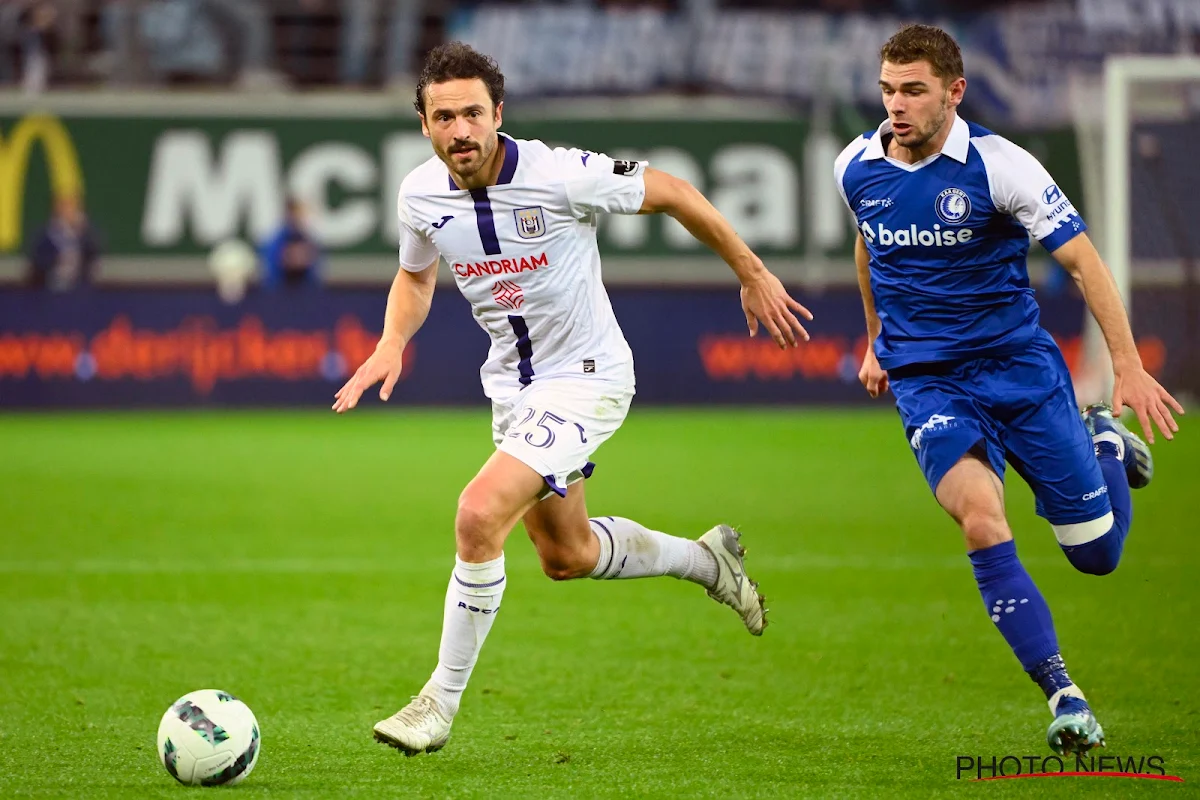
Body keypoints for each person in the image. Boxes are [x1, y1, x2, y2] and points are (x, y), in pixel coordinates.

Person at [333, 41, 812, 755]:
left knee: (477, 513)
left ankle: (438, 702)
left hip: (588, 377)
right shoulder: (419, 195)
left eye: (472, 113)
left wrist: (750, 272)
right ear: (425, 126)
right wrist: (392, 341)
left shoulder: (562, 174)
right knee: (567, 554)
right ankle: (706, 561)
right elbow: (417, 276)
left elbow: (674, 191)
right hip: (516, 390)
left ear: (498, 113)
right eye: (443, 117)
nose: (460, 130)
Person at [836, 24, 1185, 755]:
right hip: (930, 384)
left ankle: (1102, 444)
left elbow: (1086, 263)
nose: (895, 106)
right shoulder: (857, 167)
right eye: (887, 90)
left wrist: (1126, 366)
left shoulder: (1002, 167)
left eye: (913, 91)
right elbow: (870, 248)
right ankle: (1064, 694)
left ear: (954, 92)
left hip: (1020, 376)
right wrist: (876, 338)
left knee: (1097, 554)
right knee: (980, 521)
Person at [27, 194, 101, 291]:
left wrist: (83, 231)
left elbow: (94, 253)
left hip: (78, 289)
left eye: (72, 208)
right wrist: (57, 259)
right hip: (50, 288)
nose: (69, 212)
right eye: (65, 207)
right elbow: (38, 261)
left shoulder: (84, 234)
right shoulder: (47, 233)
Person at [259, 198, 323, 289]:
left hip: (305, 293)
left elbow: (315, 273)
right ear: (288, 214)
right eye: (295, 213)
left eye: (301, 213)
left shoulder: (309, 240)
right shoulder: (274, 241)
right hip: (280, 292)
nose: (299, 217)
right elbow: (271, 274)